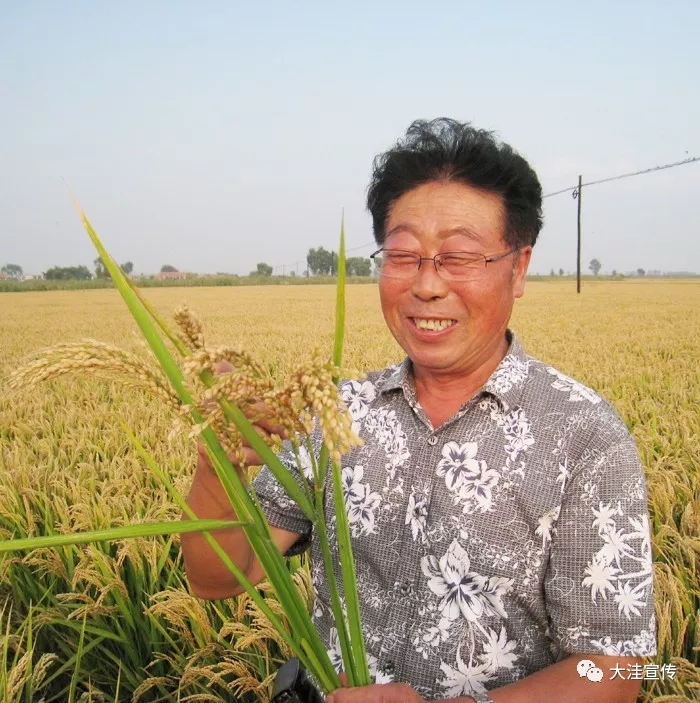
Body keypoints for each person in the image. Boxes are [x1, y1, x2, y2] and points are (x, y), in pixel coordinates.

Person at [182, 118, 656, 703]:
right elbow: (217, 577)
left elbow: (621, 669)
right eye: (403, 255)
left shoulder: (583, 436)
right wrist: (217, 463)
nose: (427, 285)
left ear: (519, 267)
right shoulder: (338, 414)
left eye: (458, 256)